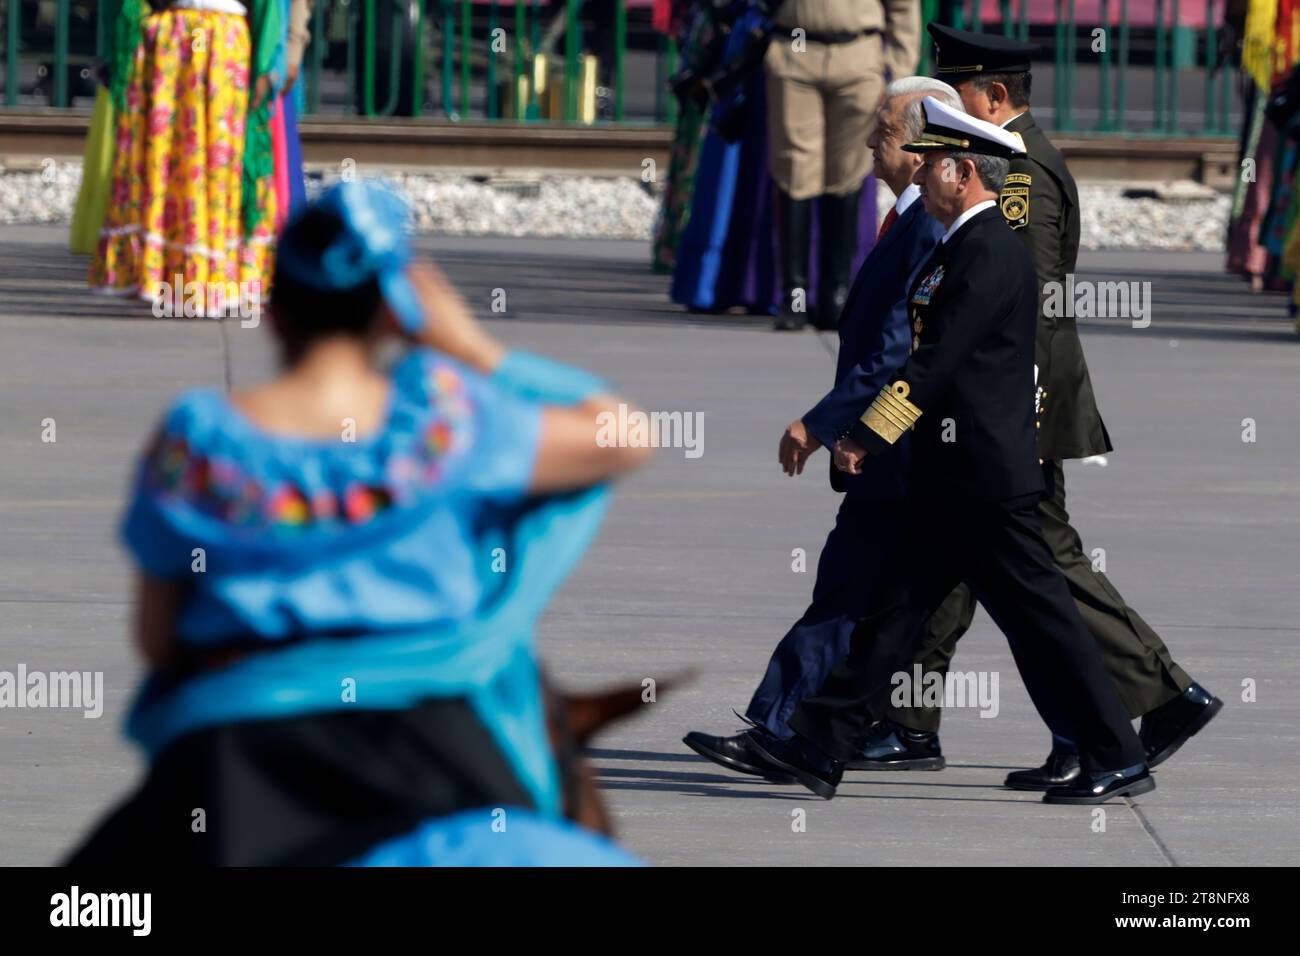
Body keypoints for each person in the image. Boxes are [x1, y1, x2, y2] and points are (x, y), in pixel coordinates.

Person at [66, 181, 650, 865]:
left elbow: (158, 641)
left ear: (274, 311)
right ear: (392, 316)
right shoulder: (448, 425)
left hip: (229, 773)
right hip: (439, 757)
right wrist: (470, 344)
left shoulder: (196, 444)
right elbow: (623, 433)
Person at [747, 98, 1155, 806]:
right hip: (954, 482)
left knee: (1047, 624)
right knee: (892, 617)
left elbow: (929, 365)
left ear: (962, 172)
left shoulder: (989, 253)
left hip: (984, 486)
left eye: (933, 162)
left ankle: (1117, 752)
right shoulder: (961, 247)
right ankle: (820, 744)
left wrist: (865, 435)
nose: (921, 172)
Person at [867, 25, 1221, 788]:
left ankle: (1156, 698)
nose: (938, 119)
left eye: (954, 98)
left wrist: (1009, 414)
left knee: (1044, 566)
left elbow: (1016, 305)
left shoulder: (1017, 176)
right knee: (962, 561)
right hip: (995, 410)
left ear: (993, 99)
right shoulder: (1000, 161)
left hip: (1019, 405)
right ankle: (911, 719)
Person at [681, 77, 957, 779]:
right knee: (861, 598)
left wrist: (824, 425)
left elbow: (896, 354)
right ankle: (803, 732)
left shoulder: (926, 224)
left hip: (904, 452)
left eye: (885, 133)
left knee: (855, 595)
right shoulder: (910, 216)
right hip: (890, 448)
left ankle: (791, 730)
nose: (869, 143)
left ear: (923, 149)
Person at [89, 0, 284, 313]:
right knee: (171, 162)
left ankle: (214, 278)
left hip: (221, 41)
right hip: (174, 38)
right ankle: (171, 278)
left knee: (220, 162)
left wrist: (263, 65)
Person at [766, 0, 919, 330]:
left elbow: (904, 8)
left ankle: (835, 293)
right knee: (795, 169)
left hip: (858, 53)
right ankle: (795, 294)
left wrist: (901, 71)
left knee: (847, 171)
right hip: (796, 48)